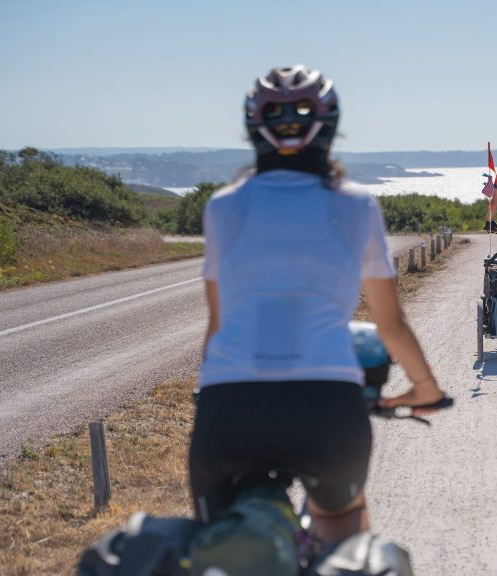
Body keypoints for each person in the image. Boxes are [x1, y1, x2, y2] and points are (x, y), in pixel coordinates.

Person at [191, 65, 445, 546]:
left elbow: (218, 325)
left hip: (229, 407)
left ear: (253, 128)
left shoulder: (223, 206)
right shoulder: (356, 205)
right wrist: (424, 388)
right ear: (329, 126)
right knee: (343, 536)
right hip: (326, 406)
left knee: (220, 549)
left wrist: (208, 391)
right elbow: (390, 325)